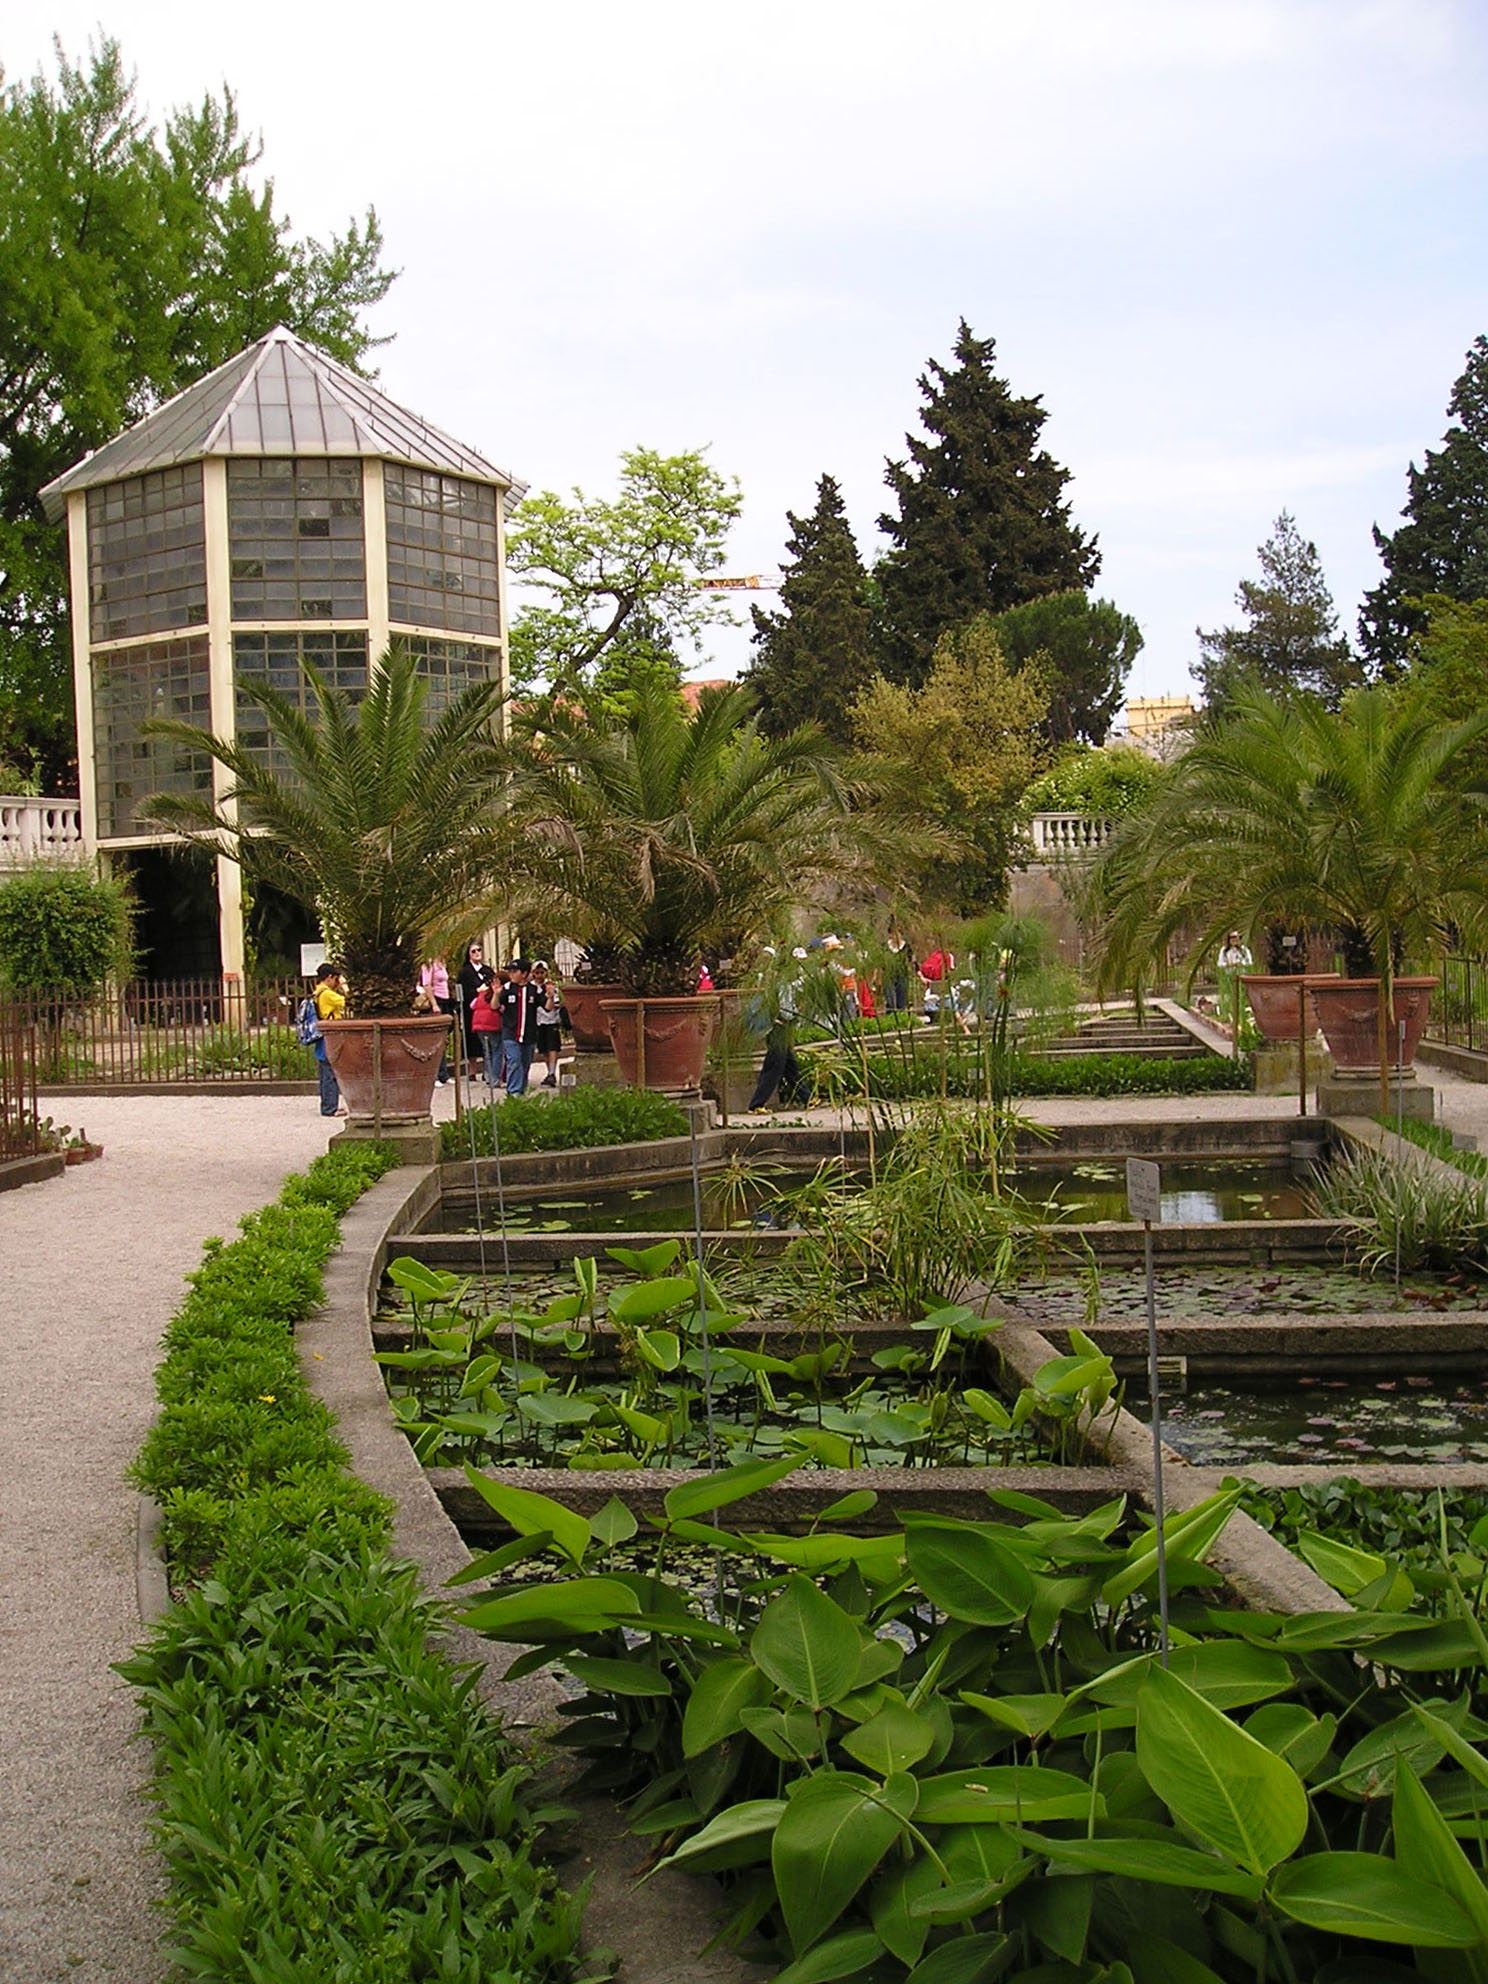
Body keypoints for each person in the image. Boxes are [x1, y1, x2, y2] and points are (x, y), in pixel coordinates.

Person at [748, 949, 807, 1113]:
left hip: (778, 1028)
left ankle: (807, 1097)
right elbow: (786, 1012)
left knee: (790, 1066)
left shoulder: (779, 982)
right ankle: (756, 1104)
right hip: (779, 1028)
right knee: (774, 1067)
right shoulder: (783, 984)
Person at [498, 957, 538, 1097]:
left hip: (528, 1033)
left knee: (525, 1063)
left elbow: (547, 1006)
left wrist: (550, 997)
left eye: (515, 971)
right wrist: (496, 994)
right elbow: (494, 1006)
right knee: (514, 1060)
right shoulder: (507, 989)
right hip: (510, 1032)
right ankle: (513, 1091)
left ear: (524, 973)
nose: (511, 974)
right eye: (510, 971)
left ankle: (521, 1089)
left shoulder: (533, 990)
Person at [312, 961, 347, 1117]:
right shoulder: (327, 994)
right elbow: (348, 1000)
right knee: (329, 1072)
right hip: (330, 1034)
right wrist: (344, 985)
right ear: (329, 977)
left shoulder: (318, 992)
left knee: (326, 1070)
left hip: (323, 1035)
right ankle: (330, 1108)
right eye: (335, 979)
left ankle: (328, 1105)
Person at [455, 940, 494, 1064]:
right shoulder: (464, 972)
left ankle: (488, 1069)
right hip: (471, 1011)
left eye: (479, 950)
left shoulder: (488, 970)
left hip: (488, 1011)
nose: (477, 953)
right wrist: (477, 991)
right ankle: (472, 1069)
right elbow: (462, 992)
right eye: (473, 951)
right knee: (472, 1041)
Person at [419, 956, 453, 1083]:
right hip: (436, 1001)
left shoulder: (442, 963)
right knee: (435, 1039)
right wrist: (434, 1004)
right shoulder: (429, 963)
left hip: (445, 1000)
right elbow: (426, 984)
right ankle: (435, 1074)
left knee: (443, 1039)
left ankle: (443, 1073)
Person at [532, 960, 563, 1087]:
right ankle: (549, 1071)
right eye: (537, 972)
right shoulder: (531, 987)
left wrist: (550, 997)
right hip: (538, 1021)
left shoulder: (550, 986)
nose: (539, 975)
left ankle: (552, 1072)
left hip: (551, 1020)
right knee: (544, 1048)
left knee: (552, 1047)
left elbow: (556, 1003)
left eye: (542, 972)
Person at [470, 973, 502, 1087]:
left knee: (487, 1051)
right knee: (497, 1051)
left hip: (479, 1025)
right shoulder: (499, 994)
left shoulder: (482, 993)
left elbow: (472, 1005)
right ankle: (495, 1078)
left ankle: (488, 1076)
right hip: (493, 1024)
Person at [884, 917, 910, 1012]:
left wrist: (920, 975)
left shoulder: (906, 947)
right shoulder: (885, 947)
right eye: (893, 933)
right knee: (890, 1000)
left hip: (902, 976)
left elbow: (912, 961)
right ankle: (890, 1017)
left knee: (901, 1000)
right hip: (889, 975)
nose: (895, 936)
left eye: (898, 933)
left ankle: (901, 1016)